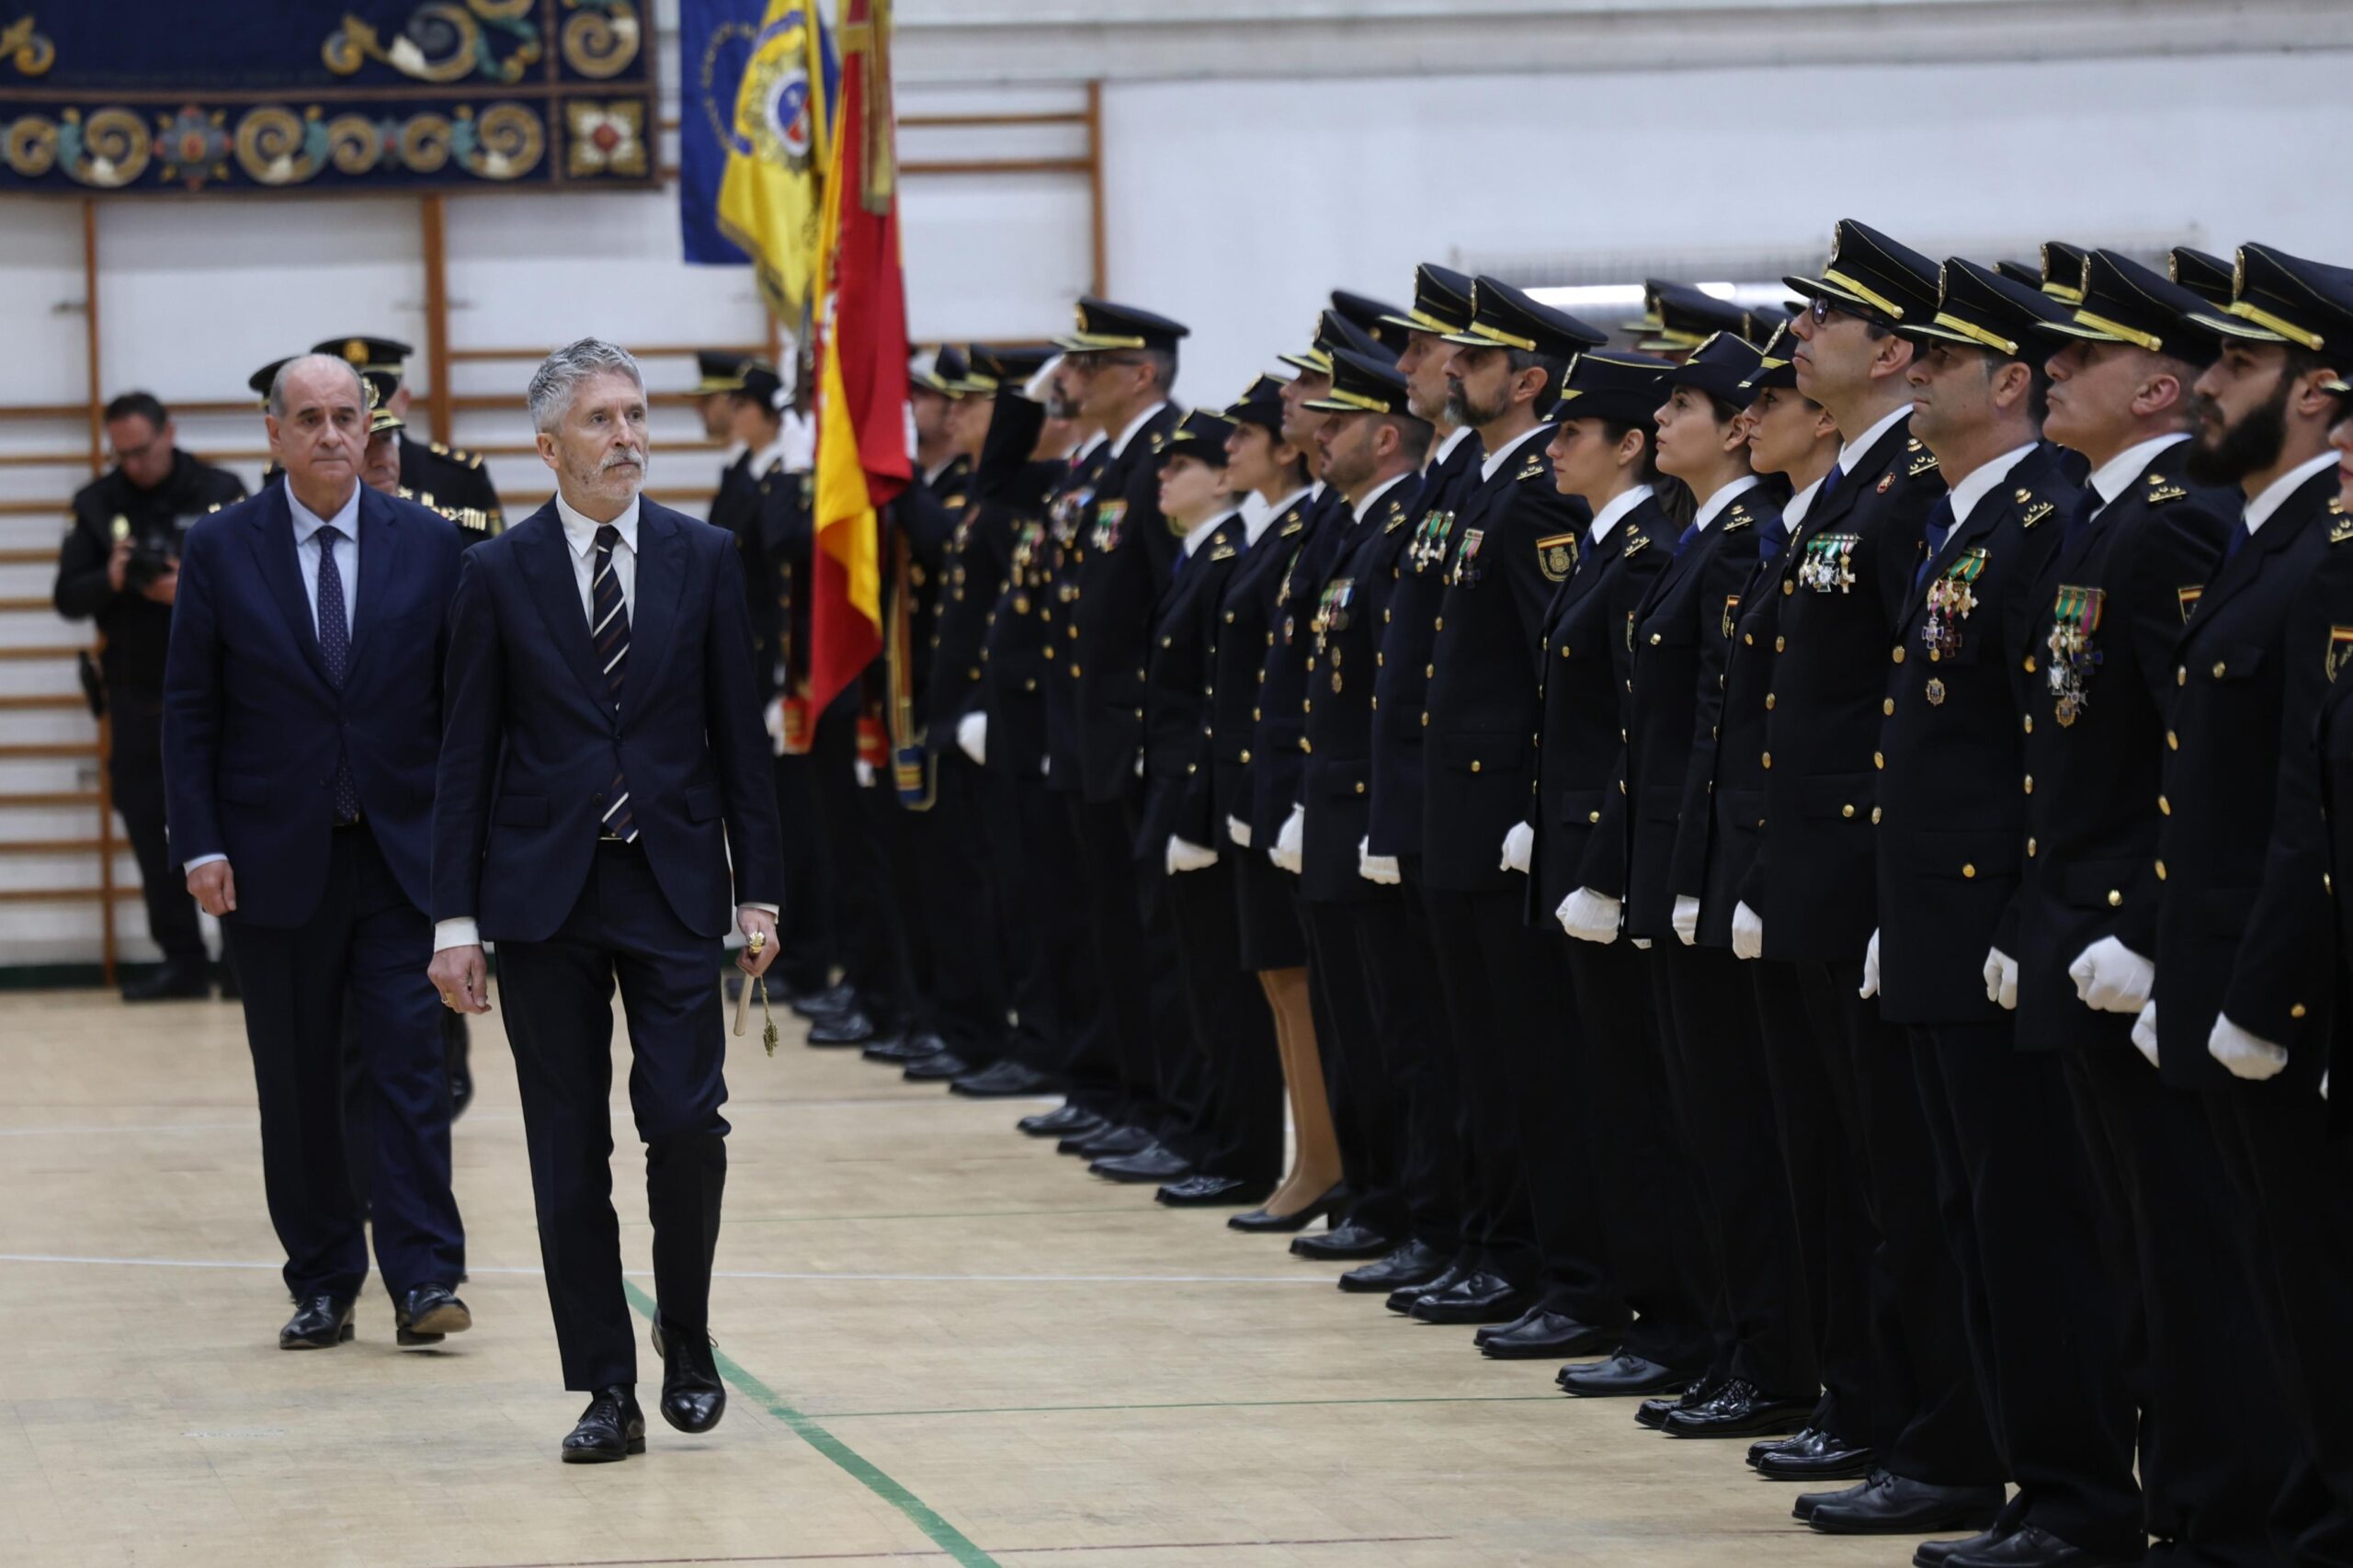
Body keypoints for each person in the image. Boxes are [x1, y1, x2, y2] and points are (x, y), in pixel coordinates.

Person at [427, 338, 784, 1463]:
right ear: (549, 446)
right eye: (601, 421)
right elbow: (464, 757)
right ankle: (605, 1385)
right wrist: (453, 919)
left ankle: (687, 1337)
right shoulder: (494, 574)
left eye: (635, 415)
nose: (628, 436)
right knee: (565, 1147)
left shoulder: (705, 554)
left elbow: (742, 742)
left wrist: (761, 894)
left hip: (674, 884)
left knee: (685, 1121)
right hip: (541, 899)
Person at [1874, 259, 2141, 1568]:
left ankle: (2076, 1493)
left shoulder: (2039, 519)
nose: (1914, 370)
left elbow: (2055, 748)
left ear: (2010, 383)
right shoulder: (1967, 516)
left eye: (1940, 357)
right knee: (1973, 1215)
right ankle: (2006, 1471)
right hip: (1940, 928)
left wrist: (2014, 921)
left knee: (2035, 1226)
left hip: (2001, 935)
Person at [2024, 249, 2283, 1567]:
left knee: (2185, 1251)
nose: (2052, 370)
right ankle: (2178, 1500)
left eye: (2082, 356)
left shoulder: (2174, 514)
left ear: (2157, 384)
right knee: (2136, 1247)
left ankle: (2214, 1505)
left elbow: (2198, 751)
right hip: (2082, 935)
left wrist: (2137, 912)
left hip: (2137, 941)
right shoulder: (2104, 510)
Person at [1766, 221, 2004, 1542]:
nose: (1804, 338)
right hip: (1836, 877)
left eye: (1829, 321)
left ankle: (1932, 1428)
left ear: (1895, 348)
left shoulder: (1913, 494)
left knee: (1909, 1187)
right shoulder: (1863, 488)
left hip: (1882, 881)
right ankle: (1883, 1409)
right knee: (1867, 1176)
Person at [160, 354, 468, 1352]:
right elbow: (190, 709)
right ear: (274, 434)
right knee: (294, 1082)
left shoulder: (428, 542)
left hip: (398, 857)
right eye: (312, 418)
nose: (334, 433)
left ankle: (424, 1276)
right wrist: (199, 839)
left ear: (369, 425)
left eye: (349, 416)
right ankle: (325, 1277)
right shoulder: (220, 547)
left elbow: (461, 711)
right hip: (272, 859)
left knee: (408, 1067)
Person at [1568, 333, 1820, 1435]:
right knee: (1700, 1122)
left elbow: (1716, 733)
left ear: (1732, 432)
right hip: (1681, 868)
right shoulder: (1702, 539)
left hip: (1714, 874)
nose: (1663, 420)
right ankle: (1729, 1342)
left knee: (1732, 1130)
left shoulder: (1736, 544)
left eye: (1687, 405)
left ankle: (1759, 1354)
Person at [2159, 244, 2353, 1561]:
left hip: (2284, 990)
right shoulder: (2268, 545)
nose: (2203, 386)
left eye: (2238, 363)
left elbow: (2307, 814)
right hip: (2232, 975)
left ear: (2319, 392)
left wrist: (2265, 993)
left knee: (2314, 1295)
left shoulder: (2313, 564)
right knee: (2277, 1291)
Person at [1408, 278, 1609, 1338]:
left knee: (1524, 1058)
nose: (1451, 368)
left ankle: (1542, 1260)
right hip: (1454, 810)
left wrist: (1539, 804)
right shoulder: (1478, 482)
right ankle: (1486, 1245)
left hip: (1499, 817)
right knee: (1474, 1049)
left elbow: (1555, 666)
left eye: (1478, 360)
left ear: (1526, 380)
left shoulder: (1534, 489)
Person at [1532, 349, 1717, 1402]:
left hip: (1616, 859)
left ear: (1628, 447)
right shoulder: (1615, 544)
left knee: (1645, 1104)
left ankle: (1672, 1318)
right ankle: (1650, 1309)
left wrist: (1602, 861)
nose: (1553, 450)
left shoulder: (1649, 546)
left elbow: (1637, 730)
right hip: (1577, 853)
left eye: (1572, 435)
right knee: (1609, 1095)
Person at [1348, 265, 1487, 1301]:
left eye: (1428, 349)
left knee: (1474, 1054)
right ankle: (1454, 1232)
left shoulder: (1510, 490)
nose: (1405, 368)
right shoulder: (1453, 480)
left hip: (1485, 822)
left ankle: (1498, 1248)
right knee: (1432, 1043)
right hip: (1424, 808)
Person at [1287, 349, 1438, 1241]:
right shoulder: (1350, 529)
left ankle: (1400, 1207)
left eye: (1336, 422)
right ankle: (1370, 1194)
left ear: (1385, 438)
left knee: (1395, 1031)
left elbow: (1396, 688)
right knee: (1354, 1021)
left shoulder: (1391, 531)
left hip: (1372, 811)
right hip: (1337, 808)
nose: (1316, 432)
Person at [1135, 408, 1282, 1207]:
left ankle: (1237, 1148)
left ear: (1221, 479)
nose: (1164, 478)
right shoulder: (1202, 555)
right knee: (1188, 977)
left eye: (1180, 466)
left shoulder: (1228, 555)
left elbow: (1216, 698)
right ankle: (1205, 1134)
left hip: (1200, 795)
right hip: (1175, 790)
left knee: (1222, 990)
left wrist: (1193, 810)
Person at [54, 391, 246, 1000]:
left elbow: (258, 579)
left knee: (239, 827)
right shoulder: (95, 504)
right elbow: (67, 597)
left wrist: (190, 587)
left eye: (142, 449)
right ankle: (182, 962)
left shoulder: (220, 487)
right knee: (147, 826)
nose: (134, 463)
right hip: (138, 695)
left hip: (226, 694)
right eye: (122, 453)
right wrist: (113, 577)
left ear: (169, 432)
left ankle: (243, 963)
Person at [1209, 374, 1340, 1230]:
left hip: (1301, 782)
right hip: (1266, 783)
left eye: (1244, 435)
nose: (1229, 449)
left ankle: (1324, 1162)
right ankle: (1315, 1160)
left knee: (1301, 984)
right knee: (1278, 978)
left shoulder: (1311, 520)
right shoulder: (1279, 526)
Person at [314, 335, 505, 529]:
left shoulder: (457, 476)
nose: (366, 409)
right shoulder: (302, 476)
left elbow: (489, 554)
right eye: (348, 401)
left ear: (404, 400)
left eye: (378, 395)